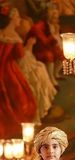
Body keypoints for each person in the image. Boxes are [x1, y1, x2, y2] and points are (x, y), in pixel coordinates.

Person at [0, 5, 36, 138]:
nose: (19, 19)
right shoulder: (14, 37)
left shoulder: (2, 34)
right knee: (19, 96)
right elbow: (21, 56)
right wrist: (30, 45)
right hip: (9, 69)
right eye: (17, 17)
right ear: (11, 19)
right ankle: (14, 126)